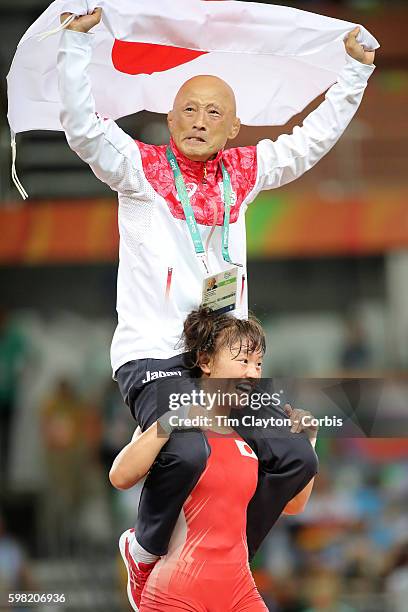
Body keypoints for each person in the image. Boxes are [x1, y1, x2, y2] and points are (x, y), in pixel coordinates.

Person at [57, 6, 375, 604]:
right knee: (186, 445)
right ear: (169, 118)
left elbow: (309, 142)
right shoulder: (140, 171)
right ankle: (145, 550)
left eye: (214, 113)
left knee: (294, 458)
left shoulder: (244, 174)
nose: (198, 121)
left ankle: (226, 556)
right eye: (187, 109)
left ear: (234, 128)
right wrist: (76, 47)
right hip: (157, 356)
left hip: (223, 363)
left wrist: (354, 73)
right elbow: (84, 129)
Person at [110, 308, 318, 611]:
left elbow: (293, 504)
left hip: (239, 590)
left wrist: (308, 441)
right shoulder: (177, 427)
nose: (253, 372)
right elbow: (120, 476)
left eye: (258, 363)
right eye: (243, 360)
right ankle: (138, 550)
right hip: (176, 593)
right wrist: (173, 418)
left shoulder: (249, 437)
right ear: (206, 362)